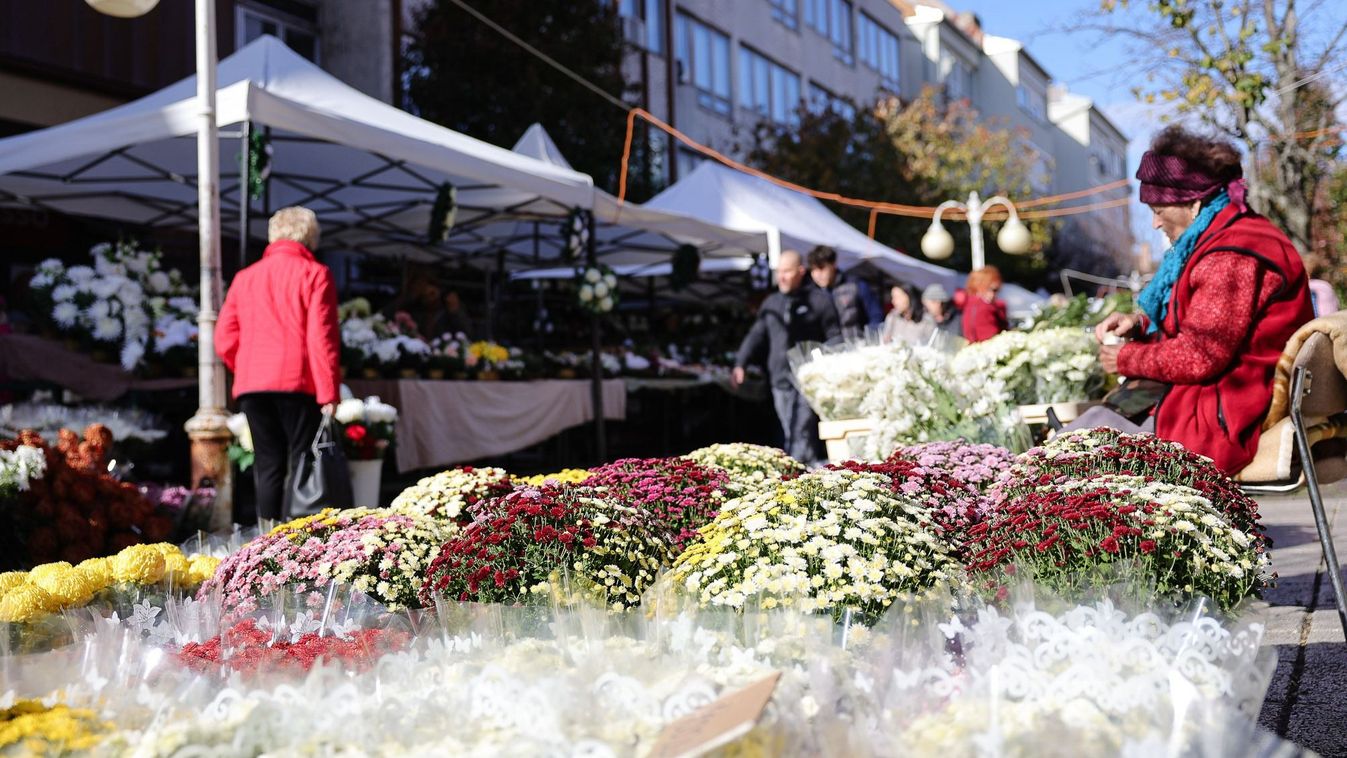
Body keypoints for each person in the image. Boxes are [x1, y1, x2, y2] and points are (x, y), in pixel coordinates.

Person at [1066, 124, 1314, 475]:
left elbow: (1201, 355)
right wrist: (1139, 325)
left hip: (1225, 414)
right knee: (1083, 435)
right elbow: (1203, 321)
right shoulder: (1229, 236)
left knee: (1071, 455)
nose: (1155, 223)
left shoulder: (1231, 254)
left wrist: (1125, 358)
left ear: (1193, 202)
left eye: (1158, 209)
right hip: (1220, 399)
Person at [216, 207, 342, 521]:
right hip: (297, 382)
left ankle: (266, 535)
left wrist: (246, 367)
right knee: (301, 461)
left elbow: (224, 338)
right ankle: (297, 538)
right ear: (310, 236)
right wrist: (329, 393)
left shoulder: (245, 277)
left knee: (267, 462)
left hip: (253, 384)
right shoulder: (315, 274)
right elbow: (322, 339)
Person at [732, 250, 842, 464]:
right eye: (778, 272)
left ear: (800, 271)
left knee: (801, 431)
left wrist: (826, 366)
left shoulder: (819, 301)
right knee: (789, 430)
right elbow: (756, 334)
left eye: (786, 272)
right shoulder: (772, 303)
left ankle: (801, 471)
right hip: (779, 380)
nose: (780, 277)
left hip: (807, 380)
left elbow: (835, 337)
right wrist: (740, 363)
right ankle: (801, 469)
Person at [806, 245, 883, 336]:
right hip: (829, 344)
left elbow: (876, 316)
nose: (817, 275)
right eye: (813, 270)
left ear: (834, 264)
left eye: (821, 268)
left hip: (859, 342)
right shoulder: (810, 294)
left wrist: (869, 338)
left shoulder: (856, 285)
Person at [961, 266, 1009, 343]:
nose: (994, 294)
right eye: (993, 289)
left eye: (997, 290)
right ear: (981, 286)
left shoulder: (970, 305)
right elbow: (992, 339)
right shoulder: (985, 308)